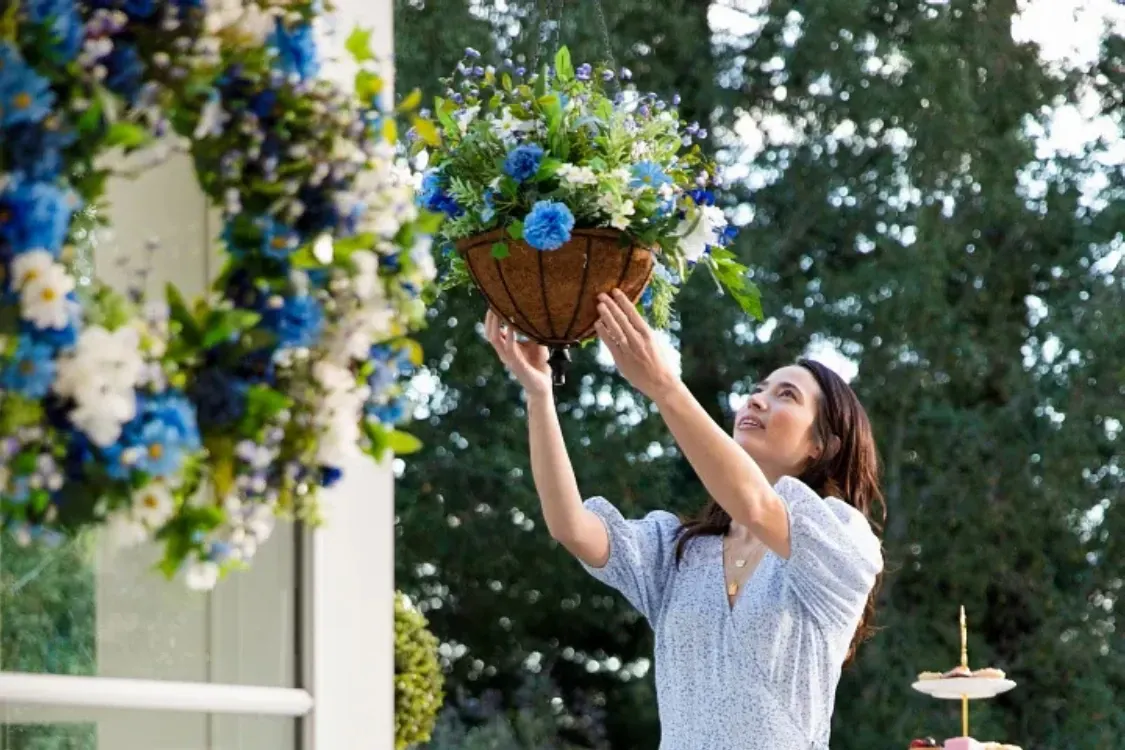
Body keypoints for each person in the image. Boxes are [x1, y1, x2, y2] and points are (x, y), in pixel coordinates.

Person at [483, 289, 885, 750]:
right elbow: (570, 527)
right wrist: (538, 391)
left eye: (785, 395)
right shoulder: (678, 548)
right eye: (757, 390)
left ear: (823, 445)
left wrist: (662, 384)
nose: (756, 401)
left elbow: (756, 504)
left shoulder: (842, 538)